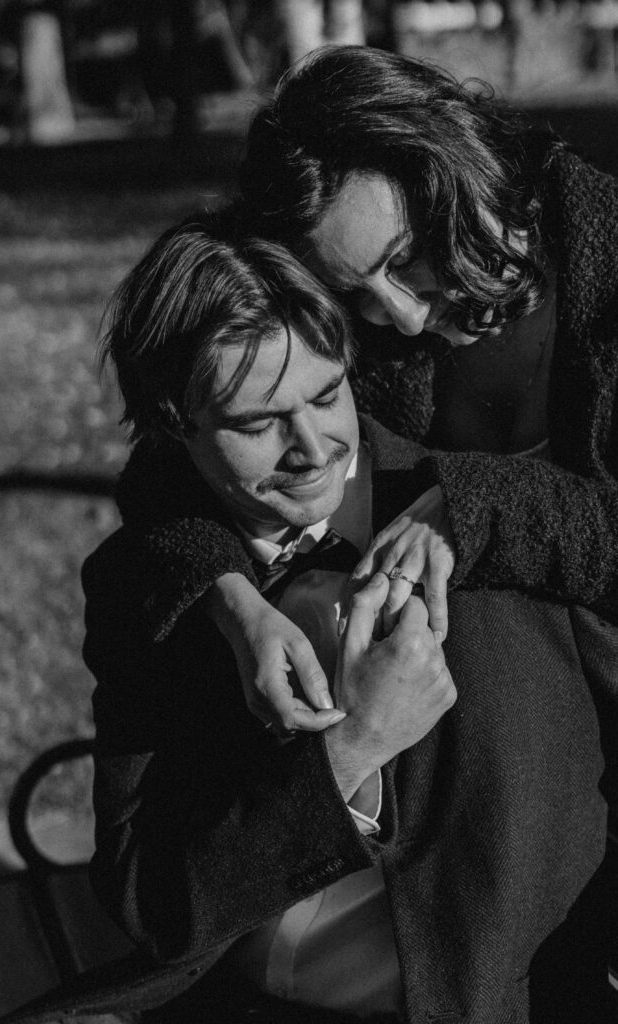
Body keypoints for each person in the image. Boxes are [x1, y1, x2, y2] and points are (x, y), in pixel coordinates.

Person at [80, 216, 615, 1024]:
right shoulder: (162, 586)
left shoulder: (496, 533)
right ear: (172, 425)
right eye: (257, 424)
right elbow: (155, 907)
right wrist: (351, 748)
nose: (312, 449)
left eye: (326, 396)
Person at [113, 44, 618, 736]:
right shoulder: (363, 335)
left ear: (458, 166)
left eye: (405, 258)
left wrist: (477, 511)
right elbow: (175, 461)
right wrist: (228, 596)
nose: (405, 318)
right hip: (489, 759)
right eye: (358, 292)